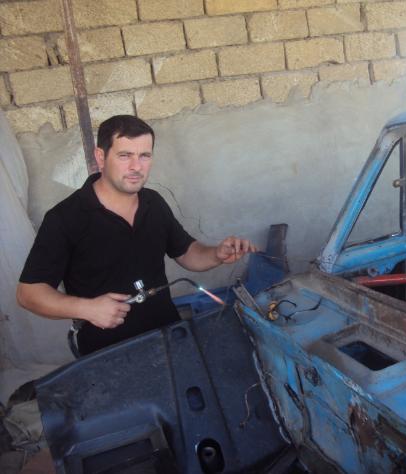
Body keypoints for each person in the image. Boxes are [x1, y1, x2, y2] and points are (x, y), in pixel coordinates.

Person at [16, 115, 256, 356]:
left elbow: (186, 252)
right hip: (108, 354)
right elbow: (29, 293)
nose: (136, 167)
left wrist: (216, 254)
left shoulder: (153, 202)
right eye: (125, 155)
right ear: (101, 157)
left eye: (144, 156)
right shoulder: (65, 217)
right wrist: (87, 308)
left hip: (169, 337)